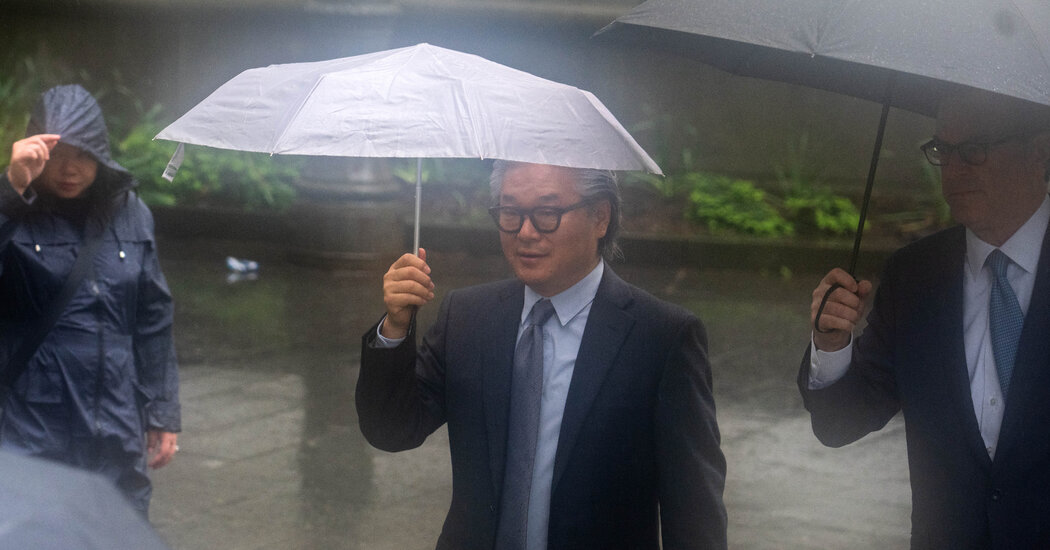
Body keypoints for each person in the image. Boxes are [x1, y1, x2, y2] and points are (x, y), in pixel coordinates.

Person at [357, 160, 727, 549]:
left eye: (547, 213)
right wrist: (395, 327)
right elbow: (392, 429)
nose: (525, 232)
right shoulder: (467, 316)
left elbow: (694, 512)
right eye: (510, 212)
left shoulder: (661, 337)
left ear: (600, 217)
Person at [799, 88, 1050, 549]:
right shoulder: (915, 276)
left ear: (1039, 153)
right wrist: (831, 343)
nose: (953, 170)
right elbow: (839, 423)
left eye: (974, 150)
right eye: (942, 150)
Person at [0, 84, 180, 515]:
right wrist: (10, 191)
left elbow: (153, 316)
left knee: (117, 528)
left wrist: (162, 411)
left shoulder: (130, 212)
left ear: (101, 155)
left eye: (83, 155)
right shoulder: (14, 210)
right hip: (32, 419)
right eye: (56, 154)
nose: (69, 168)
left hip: (115, 415)